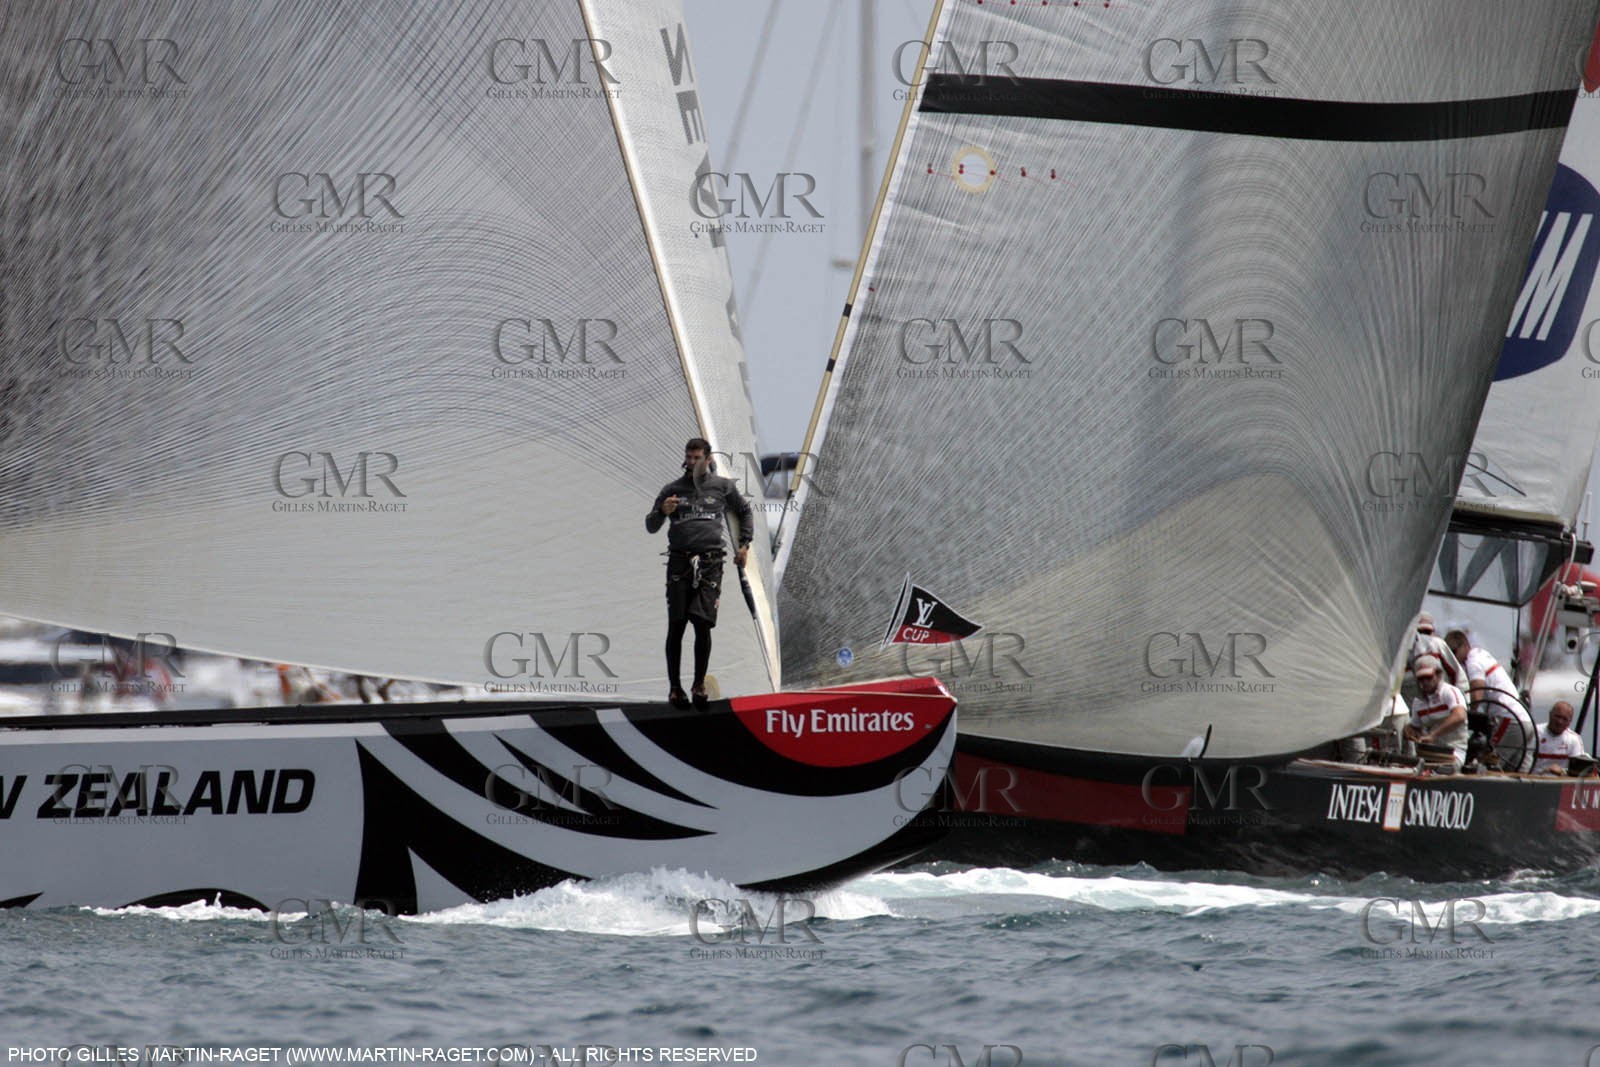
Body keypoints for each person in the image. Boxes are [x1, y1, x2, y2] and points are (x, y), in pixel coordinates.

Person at [646, 438, 752, 708]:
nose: (692, 462)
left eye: (697, 458)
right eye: (689, 457)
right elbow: (651, 525)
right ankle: (675, 688)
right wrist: (662, 511)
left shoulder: (723, 487)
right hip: (679, 564)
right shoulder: (672, 489)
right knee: (677, 625)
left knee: (702, 624)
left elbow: (744, 512)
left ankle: (698, 684)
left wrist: (744, 545)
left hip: (710, 563)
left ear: (708, 459)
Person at [1444, 629, 1536, 772]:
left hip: (1510, 720)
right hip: (1525, 720)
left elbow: (1477, 692)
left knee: (1490, 764)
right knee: (1517, 772)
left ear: (1465, 646)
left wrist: (1466, 716)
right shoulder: (1482, 654)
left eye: (1454, 652)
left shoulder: (1473, 662)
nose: (1453, 658)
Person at [1405, 654, 1469, 769]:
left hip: (1453, 751)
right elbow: (1414, 726)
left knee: (1441, 770)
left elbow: (1460, 716)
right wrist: (1410, 731)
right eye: (1421, 679)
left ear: (1438, 675)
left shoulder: (1450, 692)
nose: (1425, 682)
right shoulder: (1418, 701)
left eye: (1428, 677)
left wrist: (1433, 735)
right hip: (1428, 752)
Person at [1402, 612, 1463, 705]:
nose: (1424, 636)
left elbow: (1458, 675)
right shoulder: (1398, 657)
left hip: (1447, 704)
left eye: (1427, 632)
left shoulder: (1437, 644)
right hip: (1419, 709)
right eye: (1420, 631)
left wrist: (1463, 701)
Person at [1533, 701, 1588, 775]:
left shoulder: (1574, 739)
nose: (1560, 722)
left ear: (1570, 721)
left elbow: (1578, 770)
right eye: (1557, 716)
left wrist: (1562, 771)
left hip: (1559, 780)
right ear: (1550, 714)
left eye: (1564, 719)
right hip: (1533, 779)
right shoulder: (1534, 732)